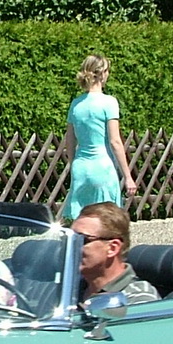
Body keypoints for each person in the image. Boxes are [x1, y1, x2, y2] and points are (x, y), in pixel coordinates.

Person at [62, 55, 137, 220]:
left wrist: (73, 163)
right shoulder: (109, 102)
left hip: (81, 167)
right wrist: (128, 176)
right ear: (102, 74)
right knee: (107, 220)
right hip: (102, 167)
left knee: (81, 219)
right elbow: (115, 141)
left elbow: (69, 141)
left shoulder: (76, 104)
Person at [71, 202, 160, 306]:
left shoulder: (138, 299)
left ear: (112, 248)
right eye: (69, 240)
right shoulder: (70, 289)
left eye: (81, 240)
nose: (71, 247)